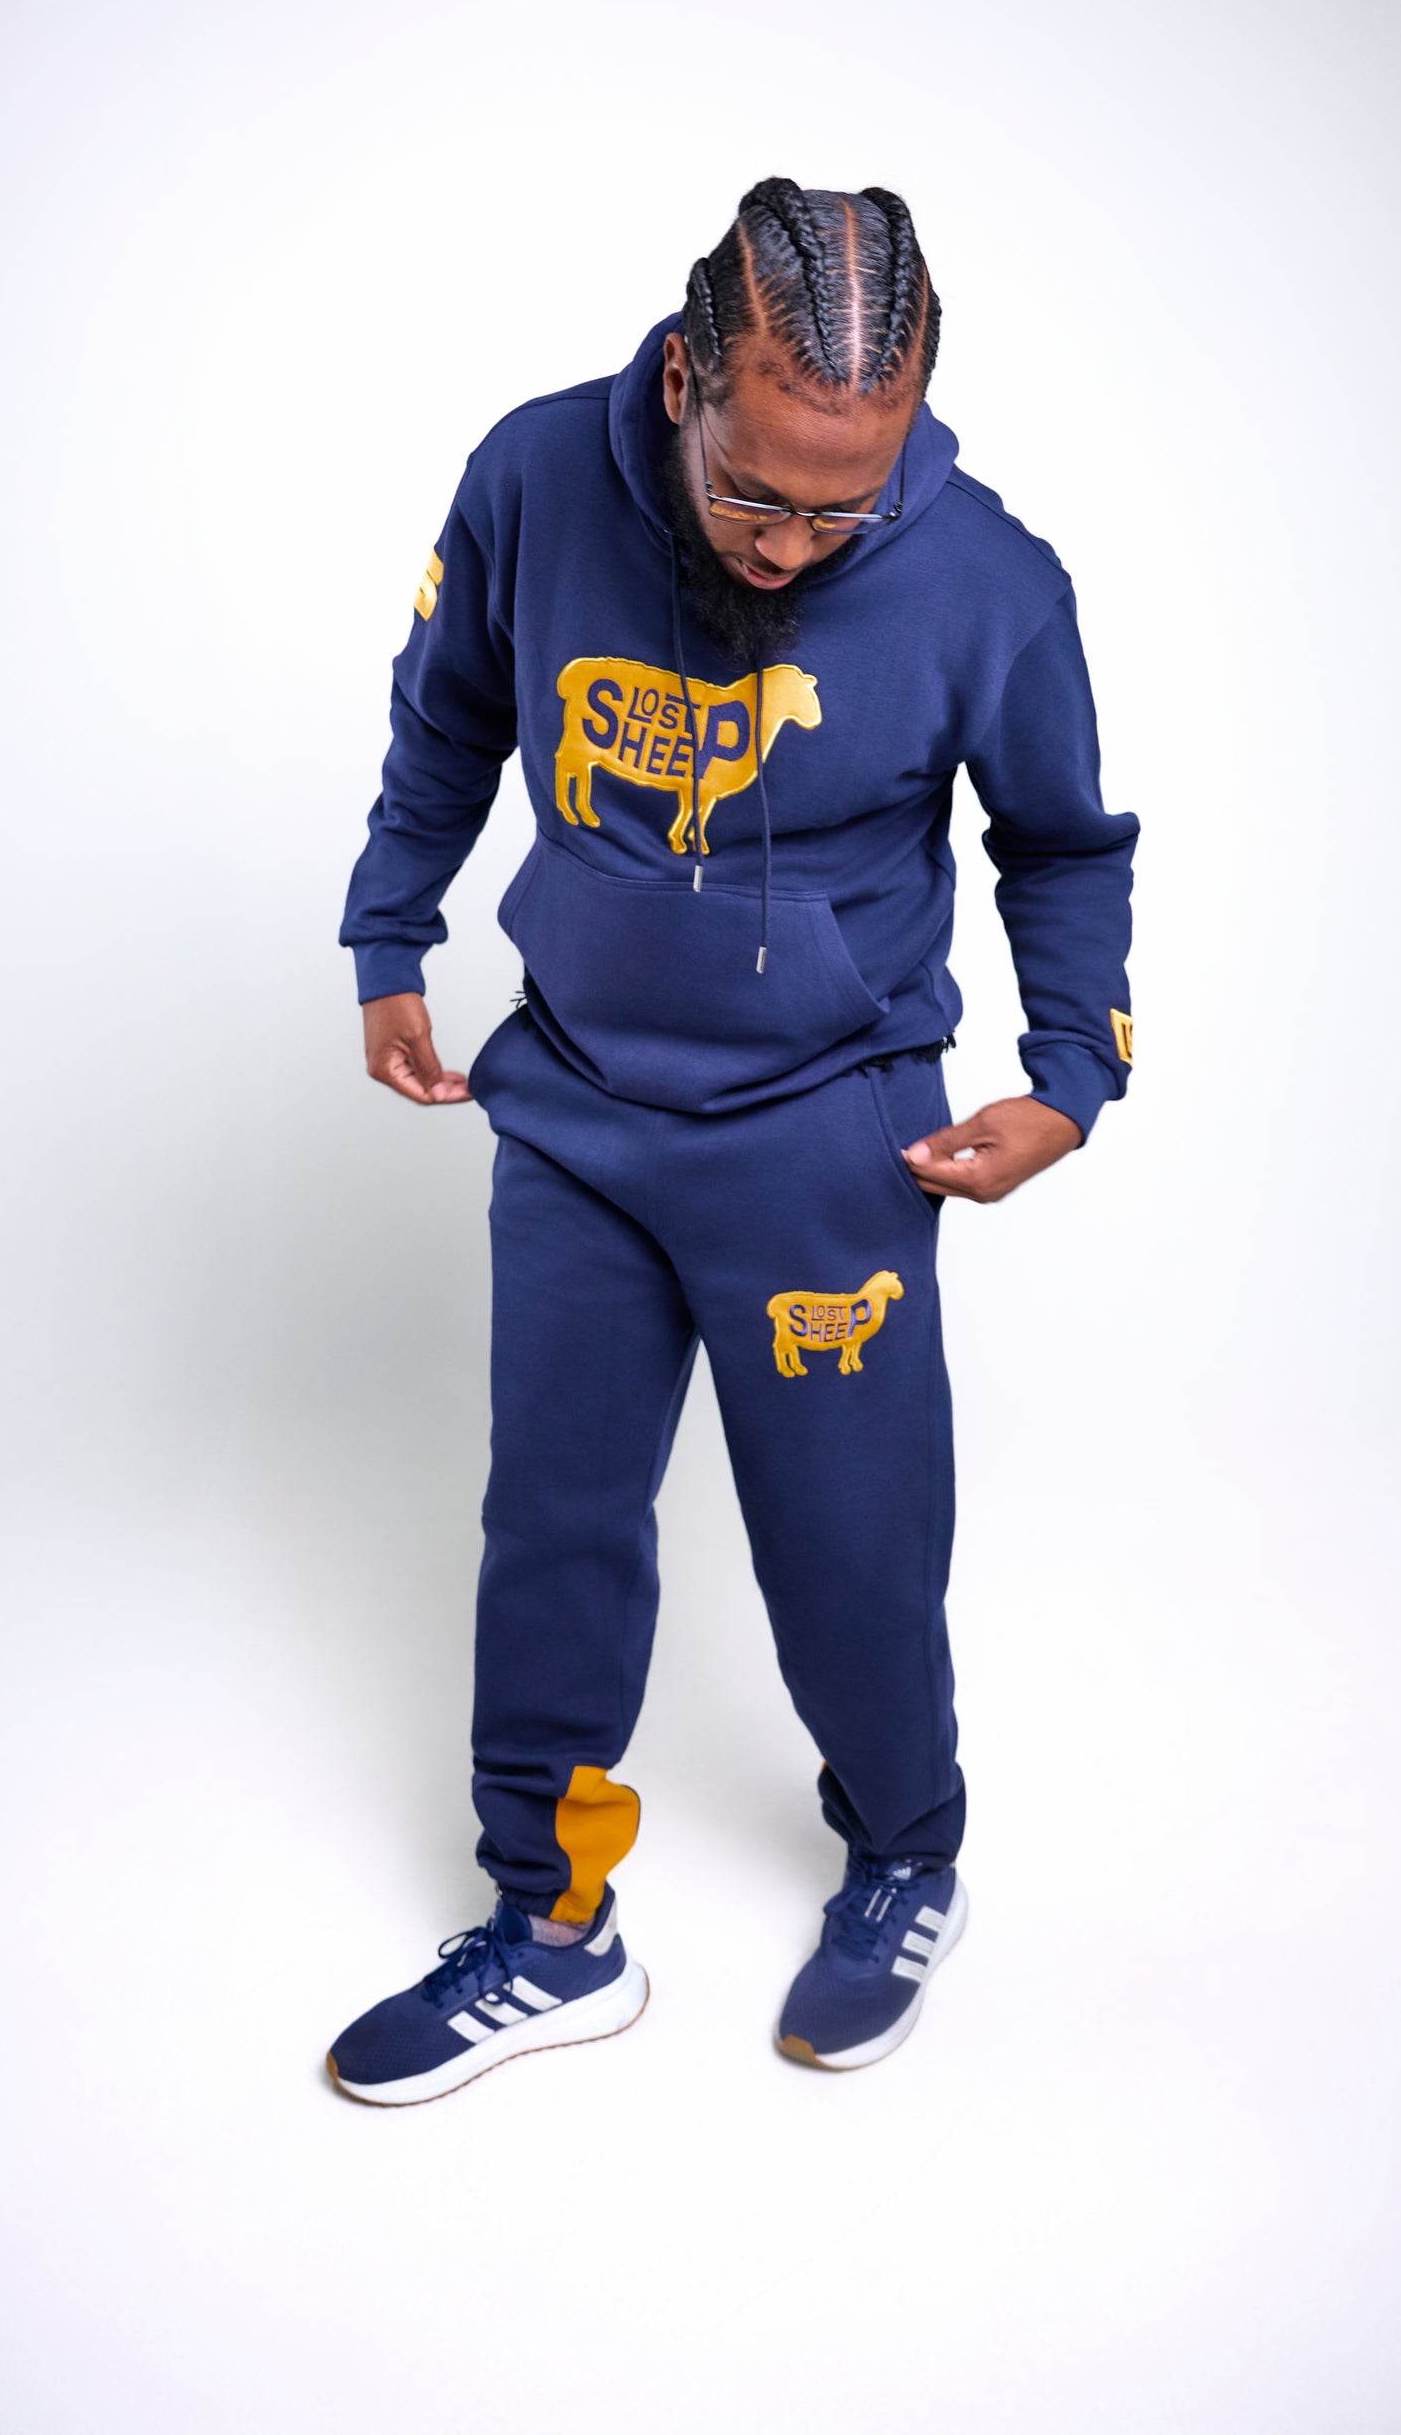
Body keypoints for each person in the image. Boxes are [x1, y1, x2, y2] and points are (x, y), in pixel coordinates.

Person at [326, 179, 1137, 2105]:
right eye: (755, 495)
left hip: (827, 1129)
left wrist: (1067, 1079)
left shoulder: (988, 581)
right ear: (688, 378)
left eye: (839, 511)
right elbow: (447, 715)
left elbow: (1058, 844)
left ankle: (907, 1852)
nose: (787, 547)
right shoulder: (536, 477)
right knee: (553, 1526)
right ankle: (549, 1927)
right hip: (578, 1107)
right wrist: (388, 935)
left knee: (850, 1544)